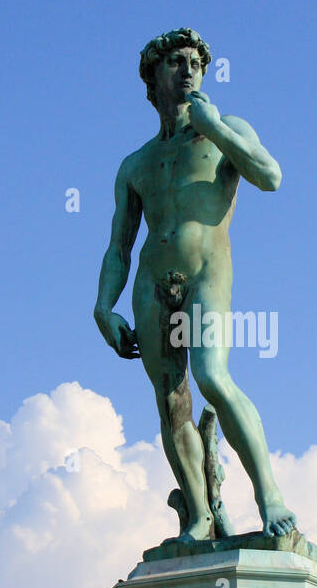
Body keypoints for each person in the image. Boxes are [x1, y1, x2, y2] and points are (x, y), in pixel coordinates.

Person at [94, 27, 296, 543]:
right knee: (170, 402)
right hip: (150, 284)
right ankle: (200, 514)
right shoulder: (135, 164)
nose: (189, 71)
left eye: (196, 64)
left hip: (207, 272)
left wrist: (218, 128)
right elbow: (119, 244)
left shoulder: (223, 130)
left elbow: (270, 176)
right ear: (152, 76)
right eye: (176, 63)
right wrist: (103, 306)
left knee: (212, 376)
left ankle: (269, 498)